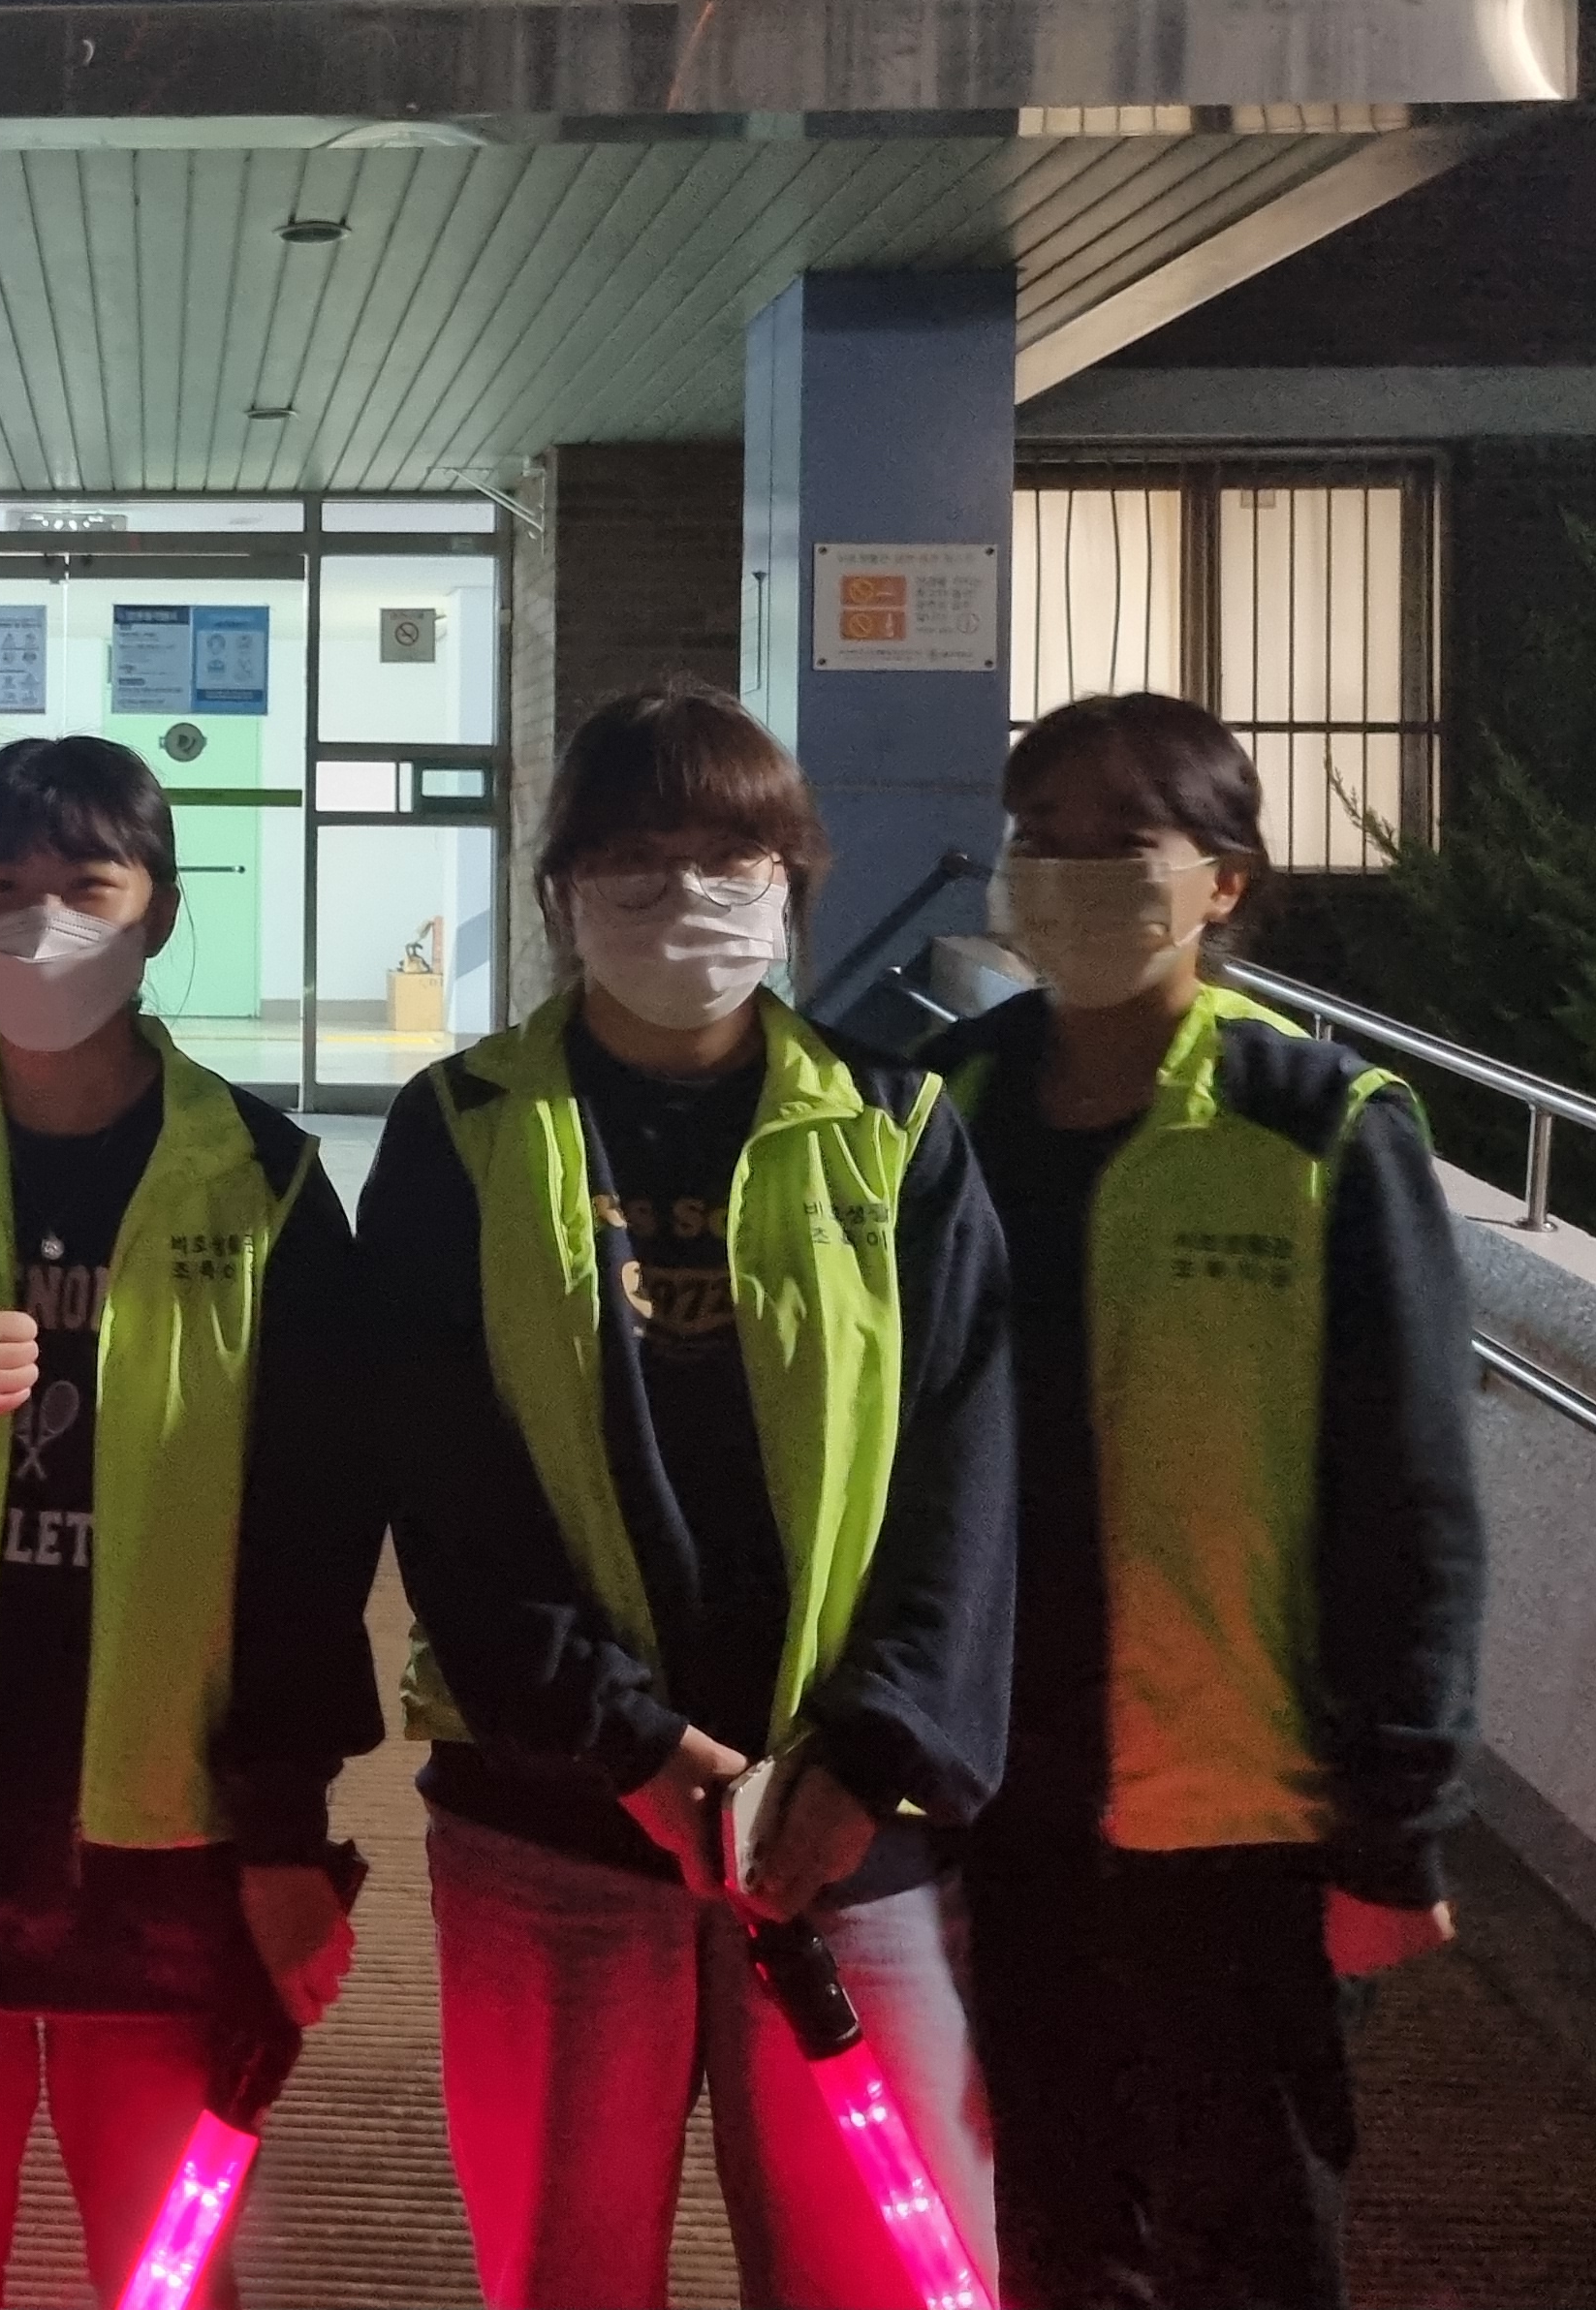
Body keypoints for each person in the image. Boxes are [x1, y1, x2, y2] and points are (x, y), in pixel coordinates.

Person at [369, 680, 1017, 2310]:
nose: (684, 894)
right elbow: (443, 1483)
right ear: (560, 889)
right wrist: (624, 1743)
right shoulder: (461, 1133)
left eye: (730, 857)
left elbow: (962, 1472)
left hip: (843, 1827)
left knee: (881, 2275)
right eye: (635, 857)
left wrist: (871, 1753)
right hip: (555, 1818)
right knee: (567, 2272)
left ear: (795, 880)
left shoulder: (897, 1127)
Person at [0, 734, 382, 2310]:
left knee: (164, 2271)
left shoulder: (265, 1183)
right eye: (0, 889)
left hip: (170, 1826)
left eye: (87, 886)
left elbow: (319, 1534)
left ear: (161, 911)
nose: (41, 922)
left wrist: (284, 1827)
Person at [941, 693, 1483, 2310]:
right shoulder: (940, 1109)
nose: (1074, 873)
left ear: (1226, 881)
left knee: (1253, 2235)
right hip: (1003, 1792)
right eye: (1043, 839)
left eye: (1125, 841)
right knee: (1055, 2221)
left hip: (1247, 1807)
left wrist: (1397, 1821)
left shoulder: (1319, 1128)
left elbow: (1413, 1498)